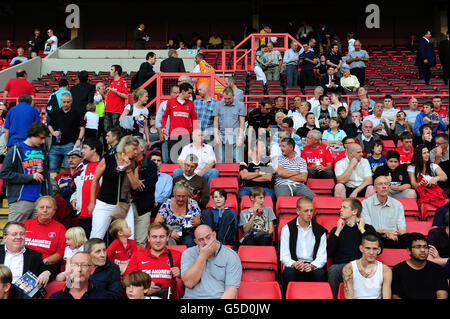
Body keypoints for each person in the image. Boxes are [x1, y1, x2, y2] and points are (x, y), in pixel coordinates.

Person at [88, 136, 142, 240]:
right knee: (96, 237)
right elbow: (94, 181)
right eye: (134, 148)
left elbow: (135, 186)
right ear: (125, 147)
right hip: (105, 203)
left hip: (124, 204)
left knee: (129, 237)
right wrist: (91, 202)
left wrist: (128, 168)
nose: (136, 152)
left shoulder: (134, 163)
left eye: (137, 149)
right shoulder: (108, 159)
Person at [0, 122, 52, 222]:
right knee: (14, 233)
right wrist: (30, 177)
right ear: (32, 135)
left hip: (40, 201)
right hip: (21, 199)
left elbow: (46, 177)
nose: (43, 141)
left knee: (36, 235)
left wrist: (49, 197)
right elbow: (4, 173)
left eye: (45, 138)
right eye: (41, 138)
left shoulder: (42, 151)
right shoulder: (16, 149)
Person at [327, 198, 378, 298]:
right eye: (341, 207)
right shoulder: (336, 229)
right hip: (340, 266)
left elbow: (379, 248)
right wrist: (337, 231)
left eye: (344, 207)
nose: (340, 210)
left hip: (361, 266)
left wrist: (362, 230)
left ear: (354, 212)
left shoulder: (367, 229)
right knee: (333, 270)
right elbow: (329, 252)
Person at [280, 197, 328, 294]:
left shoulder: (320, 231)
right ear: (297, 211)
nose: (309, 214)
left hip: (312, 266)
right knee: (289, 273)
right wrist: (294, 264)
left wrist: (312, 266)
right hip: (294, 265)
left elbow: (322, 256)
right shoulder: (287, 229)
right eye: (306, 211)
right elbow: (284, 256)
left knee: (320, 274)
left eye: (311, 210)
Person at [181, 224, 242, 299]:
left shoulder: (231, 256)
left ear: (214, 235)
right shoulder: (188, 253)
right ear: (196, 241)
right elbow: (189, 283)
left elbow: (231, 291)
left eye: (208, 237)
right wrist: (202, 256)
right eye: (201, 240)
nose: (206, 242)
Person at [123, 222, 181, 299]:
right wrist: (144, 287)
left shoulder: (177, 255)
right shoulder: (137, 255)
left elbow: (189, 279)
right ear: (148, 238)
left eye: (161, 237)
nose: (158, 240)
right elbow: (126, 280)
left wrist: (180, 274)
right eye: (154, 237)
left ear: (167, 238)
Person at [392, 232, 448, 299]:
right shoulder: (398, 270)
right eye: (418, 247)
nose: (423, 250)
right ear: (409, 250)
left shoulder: (438, 270)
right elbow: (394, 295)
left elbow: (442, 295)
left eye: (425, 247)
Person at [0, 222, 56, 286]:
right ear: (5, 238)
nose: (18, 237)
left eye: (21, 234)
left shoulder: (34, 255)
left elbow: (50, 269)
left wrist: (47, 272)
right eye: (14, 234)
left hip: (22, 295)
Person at [361, 176, 407, 248]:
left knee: (411, 239)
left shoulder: (398, 204)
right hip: (374, 238)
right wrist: (386, 231)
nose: (384, 186)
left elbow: (402, 229)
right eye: (380, 184)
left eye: (386, 184)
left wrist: (396, 234)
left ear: (389, 187)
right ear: (374, 188)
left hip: (393, 238)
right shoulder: (365, 203)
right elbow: (368, 229)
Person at [342, 233, 392, 299]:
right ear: (361, 248)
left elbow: (386, 297)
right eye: (368, 248)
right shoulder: (349, 268)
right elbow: (349, 297)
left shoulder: (386, 270)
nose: (371, 252)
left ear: (379, 250)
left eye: (374, 249)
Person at [154, 180, 201, 247]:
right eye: (178, 196)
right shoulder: (167, 204)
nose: (181, 199)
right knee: (166, 241)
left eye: (184, 196)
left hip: (186, 232)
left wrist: (195, 222)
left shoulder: (192, 204)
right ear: (174, 194)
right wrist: (169, 232)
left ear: (188, 195)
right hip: (170, 231)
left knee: (190, 242)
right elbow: (157, 223)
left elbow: (198, 221)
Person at [47, 93, 85, 177]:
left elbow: (82, 128)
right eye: (64, 102)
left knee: (69, 170)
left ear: (71, 102)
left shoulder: (77, 113)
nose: (66, 104)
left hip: (70, 145)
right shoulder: (55, 113)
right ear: (61, 102)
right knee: (52, 171)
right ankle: (54, 189)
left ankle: (68, 188)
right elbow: (49, 125)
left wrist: (79, 139)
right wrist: (53, 132)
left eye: (68, 102)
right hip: (55, 146)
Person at [23, 196, 66, 266]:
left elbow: (61, 252)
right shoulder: (25, 225)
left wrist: (43, 262)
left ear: (54, 211)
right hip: (23, 263)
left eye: (48, 207)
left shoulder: (60, 228)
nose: (45, 210)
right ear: (37, 210)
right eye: (42, 207)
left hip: (45, 265)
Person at [161, 82, 198, 162]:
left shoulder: (191, 104)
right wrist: (163, 127)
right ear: (183, 92)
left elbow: (194, 119)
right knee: (173, 159)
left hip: (186, 135)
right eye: (189, 93)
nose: (190, 95)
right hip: (173, 134)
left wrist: (195, 132)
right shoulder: (171, 102)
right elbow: (164, 116)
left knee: (187, 159)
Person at [130, 138, 158, 245]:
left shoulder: (151, 165)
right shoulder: (127, 163)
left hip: (144, 207)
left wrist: (133, 185)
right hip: (127, 206)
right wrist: (136, 183)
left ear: (142, 148)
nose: (131, 149)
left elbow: (149, 186)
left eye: (134, 147)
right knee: (126, 240)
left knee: (140, 241)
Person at [407, 144, 448, 208]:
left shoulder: (433, 166)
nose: (427, 155)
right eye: (424, 153)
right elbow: (413, 184)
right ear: (419, 155)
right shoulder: (412, 167)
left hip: (435, 191)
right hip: (421, 193)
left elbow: (444, 177)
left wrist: (436, 178)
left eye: (428, 152)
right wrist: (419, 183)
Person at [213, 87, 245, 163]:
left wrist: (240, 137)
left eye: (229, 98)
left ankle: (238, 174)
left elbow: (242, 122)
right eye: (225, 98)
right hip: (222, 135)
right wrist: (216, 135)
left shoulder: (240, 105)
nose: (227, 100)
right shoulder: (218, 104)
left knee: (238, 160)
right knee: (220, 160)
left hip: (235, 135)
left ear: (233, 96)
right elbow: (215, 121)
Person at [155, 85, 179, 163]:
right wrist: (160, 134)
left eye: (179, 93)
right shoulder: (163, 104)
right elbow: (158, 121)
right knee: (165, 160)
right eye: (175, 93)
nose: (177, 95)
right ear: (171, 93)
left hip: (178, 138)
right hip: (166, 137)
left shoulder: (183, 105)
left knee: (177, 161)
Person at [104, 65, 129, 134]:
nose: (110, 71)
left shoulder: (122, 81)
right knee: (107, 132)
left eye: (112, 69)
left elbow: (126, 96)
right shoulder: (111, 82)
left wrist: (116, 92)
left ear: (116, 72)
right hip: (107, 110)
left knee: (116, 132)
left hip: (117, 111)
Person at [150, 151, 173, 217]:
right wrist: (151, 201)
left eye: (158, 160)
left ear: (161, 163)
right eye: (154, 160)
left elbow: (166, 194)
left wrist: (156, 201)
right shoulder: (144, 176)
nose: (156, 162)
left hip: (160, 205)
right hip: (147, 203)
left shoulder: (167, 178)